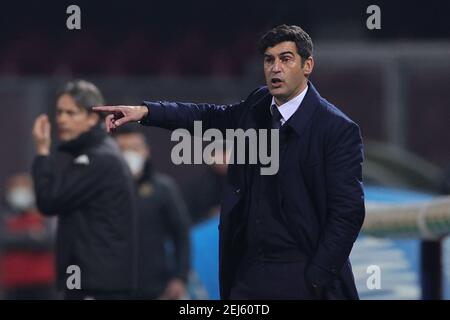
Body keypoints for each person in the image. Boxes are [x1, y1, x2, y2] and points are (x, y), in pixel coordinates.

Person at [94, 24, 365, 300]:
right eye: (269, 59)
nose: (275, 68)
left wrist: (317, 276)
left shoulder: (337, 129)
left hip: (301, 270)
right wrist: (146, 112)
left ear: (307, 65)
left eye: (286, 59)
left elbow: (348, 213)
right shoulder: (258, 105)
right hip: (249, 271)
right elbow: (208, 117)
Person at [31, 80, 137, 299]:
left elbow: (49, 200)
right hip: (88, 282)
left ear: (92, 118)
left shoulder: (98, 159)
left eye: (72, 113)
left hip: (96, 286)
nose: (62, 119)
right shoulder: (94, 154)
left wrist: (42, 152)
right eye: (59, 112)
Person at [113, 125, 191, 299]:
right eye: (122, 149)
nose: (129, 155)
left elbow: (181, 233)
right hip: (111, 288)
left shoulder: (163, 189)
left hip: (155, 288)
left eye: (135, 148)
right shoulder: (101, 190)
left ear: (146, 151)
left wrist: (180, 277)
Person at [0, 173, 55, 300]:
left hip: (42, 283)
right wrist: (31, 236)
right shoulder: (5, 216)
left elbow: (49, 241)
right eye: (17, 187)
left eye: (25, 187)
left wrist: (18, 239)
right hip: (14, 284)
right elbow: (4, 239)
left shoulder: (44, 214)